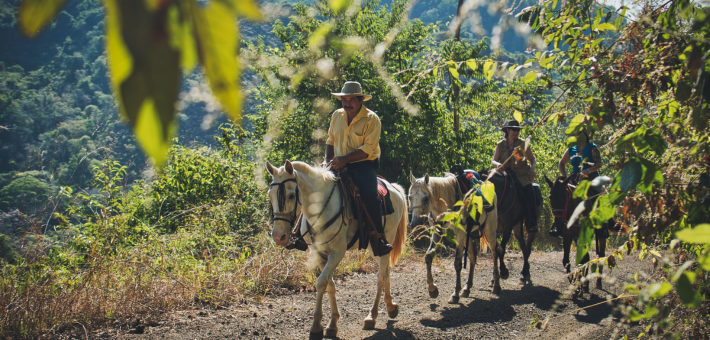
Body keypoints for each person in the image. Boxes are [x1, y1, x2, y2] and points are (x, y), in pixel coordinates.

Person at [324, 81, 392, 255]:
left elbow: (368, 149)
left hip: (363, 164)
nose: (347, 103)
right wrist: (327, 162)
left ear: (361, 100)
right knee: (316, 187)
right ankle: (305, 234)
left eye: (352, 99)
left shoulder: (371, 119)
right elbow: (330, 141)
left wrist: (345, 159)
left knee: (369, 193)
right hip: (338, 162)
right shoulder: (337, 115)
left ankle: (378, 238)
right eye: (344, 100)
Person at [550, 130, 603, 237]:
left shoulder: (592, 147)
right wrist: (564, 176)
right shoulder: (571, 150)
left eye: (577, 135)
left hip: (591, 178)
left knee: (599, 196)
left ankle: (602, 225)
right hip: (575, 178)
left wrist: (588, 171)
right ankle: (560, 223)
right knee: (562, 196)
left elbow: (599, 163)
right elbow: (561, 163)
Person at [490, 120, 539, 233]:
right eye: (514, 129)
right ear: (508, 130)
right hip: (505, 174)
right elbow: (493, 160)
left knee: (530, 190)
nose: (516, 132)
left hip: (520, 175)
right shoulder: (501, 144)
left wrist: (532, 167)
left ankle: (531, 221)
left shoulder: (523, 144)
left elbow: (533, 159)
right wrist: (498, 164)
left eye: (517, 130)